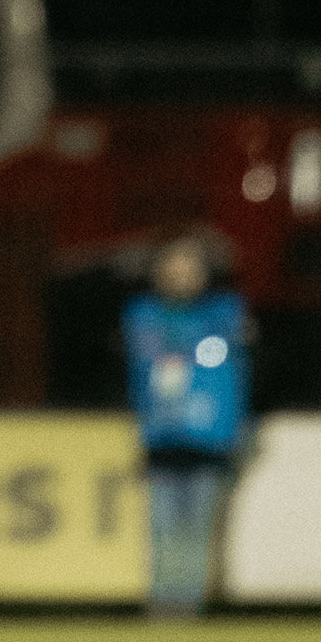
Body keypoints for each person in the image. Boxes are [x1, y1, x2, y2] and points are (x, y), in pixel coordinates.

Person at [120, 230, 253, 619]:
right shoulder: (144, 313)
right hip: (162, 440)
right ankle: (162, 602)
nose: (179, 273)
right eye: (172, 264)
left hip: (209, 441)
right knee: (162, 528)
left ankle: (187, 605)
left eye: (188, 265)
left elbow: (230, 363)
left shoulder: (224, 311)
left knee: (197, 531)